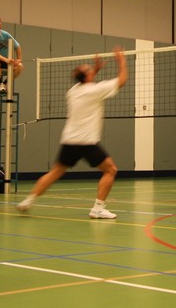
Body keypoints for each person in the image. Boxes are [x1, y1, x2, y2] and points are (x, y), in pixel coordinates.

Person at [17, 46, 127, 218]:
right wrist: (121, 61)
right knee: (111, 170)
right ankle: (98, 209)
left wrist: (95, 69)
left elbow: (86, 81)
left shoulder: (73, 91)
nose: (92, 69)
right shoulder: (96, 90)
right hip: (87, 142)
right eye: (89, 69)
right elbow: (122, 80)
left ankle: (28, 201)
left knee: (55, 172)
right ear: (87, 77)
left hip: (69, 141)